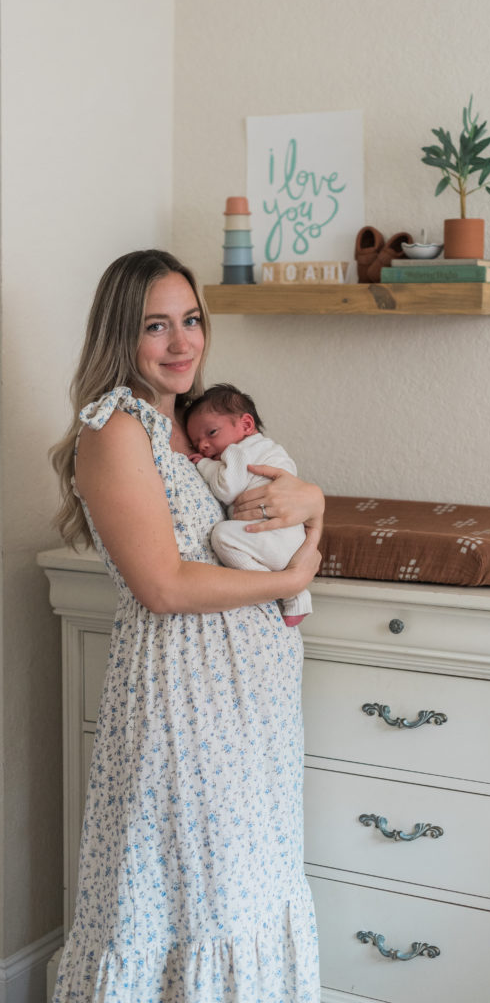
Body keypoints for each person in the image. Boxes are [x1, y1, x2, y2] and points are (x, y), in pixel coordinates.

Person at [50, 248, 324, 1003]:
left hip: (253, 710)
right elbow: (163, 585)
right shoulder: (116, 430)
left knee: (249, 893)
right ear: (120, 337)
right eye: (156, 327)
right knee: (195, 903)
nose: (183, 343)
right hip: (184, 705)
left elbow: (286, 507)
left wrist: (317, 507)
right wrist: (292, 579)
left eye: (192, 320)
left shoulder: (203, 433)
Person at [185, 383, 312, 626]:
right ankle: (293, 591)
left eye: (211, 433)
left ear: (245, 425)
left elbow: (225, 489)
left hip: (271, 537)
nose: (202, 446)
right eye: (196, 441)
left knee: (221, 536)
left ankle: (285, 589)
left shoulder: (239, 451)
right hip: (289, 540)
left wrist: (203, 464)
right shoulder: (269, 448)